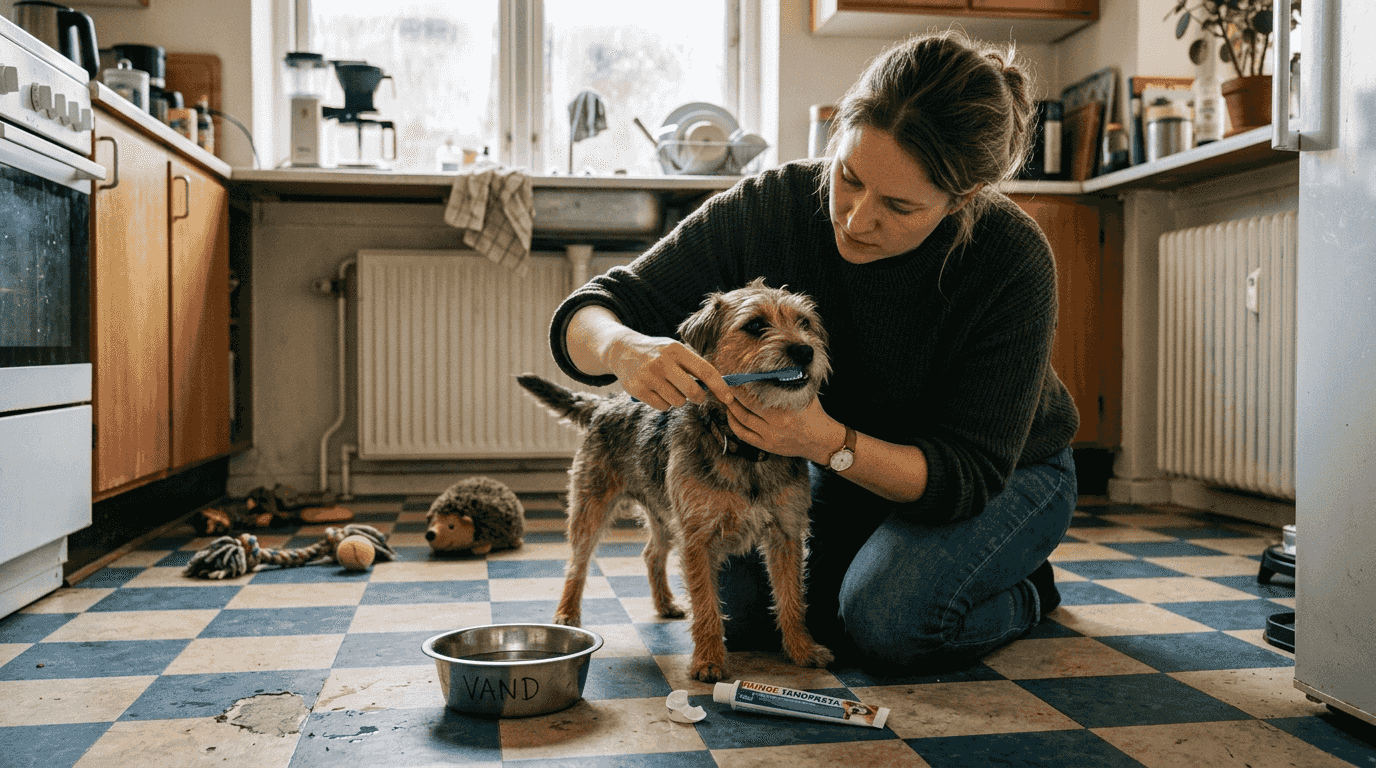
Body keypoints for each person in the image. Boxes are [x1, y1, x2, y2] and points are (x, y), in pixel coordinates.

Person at [545, 30, 1079, 670]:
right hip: (838, 456)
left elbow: (966, 477)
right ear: (838, 135)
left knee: (891, 624)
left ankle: (1024, 590)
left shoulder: (1009, 260)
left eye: (900, 205)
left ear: (960, 199)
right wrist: (626, 348)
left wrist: (826, 442)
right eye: (849, 177)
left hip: (1002, 476)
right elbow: (589, 312)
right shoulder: (771, 206)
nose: (854, 219)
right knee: (750, 617)